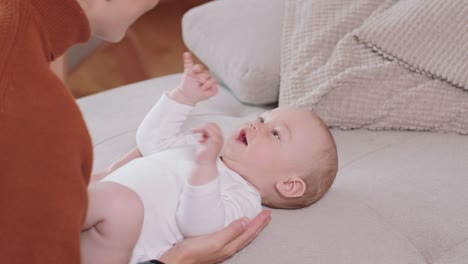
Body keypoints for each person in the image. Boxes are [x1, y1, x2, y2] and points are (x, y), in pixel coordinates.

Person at [0, 0, 270, 263]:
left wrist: (78, 182)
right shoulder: (37, 109)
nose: (155, 4)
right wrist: (177, 260)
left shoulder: (19, 37)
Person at [83, 52, 338, 263]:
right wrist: (184, 97)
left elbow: (199, 227)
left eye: (274, 133)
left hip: (109, 247)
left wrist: (206, 168)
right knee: (98, 195)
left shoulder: (243, 198)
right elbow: (151, 141)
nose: (256, 125)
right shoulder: (205, 149)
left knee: (117, 201)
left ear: (288, 184)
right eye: (262, 118)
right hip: (84, 218)